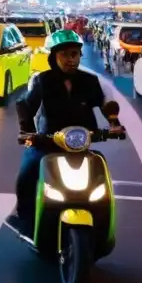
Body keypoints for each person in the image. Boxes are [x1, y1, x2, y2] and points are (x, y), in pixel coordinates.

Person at [9, 29, 122, 236]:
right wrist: (27, 132)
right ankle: (25, 219)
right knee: (27, 173)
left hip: (83, 142)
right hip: (47, 143)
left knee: (101, 176)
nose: (71, 60)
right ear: (53, 57)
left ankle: (103, 226)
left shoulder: (90, 81)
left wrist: (114, 124)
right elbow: (25, 105)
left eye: (75, 54)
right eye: (65, 55)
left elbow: (105, 103)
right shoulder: (43, 80)